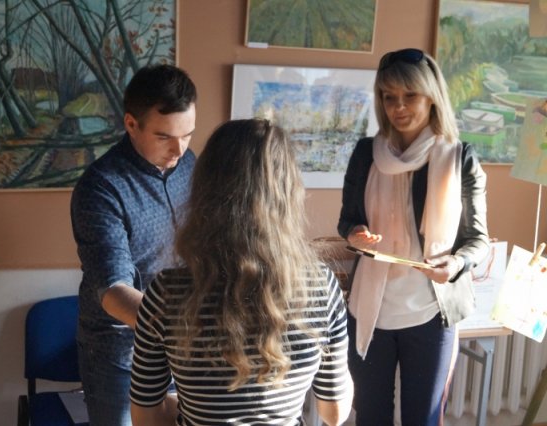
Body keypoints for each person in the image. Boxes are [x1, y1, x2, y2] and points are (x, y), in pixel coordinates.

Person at [129, 119, 354, 426]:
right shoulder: (320, 286)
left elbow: (145, 418)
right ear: (288, 194)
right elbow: (334, 412)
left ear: (204, 191)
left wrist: (187, 405)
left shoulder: (165, 293)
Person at [337, 48, 490, 425]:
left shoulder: (459, 157)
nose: (398, 107)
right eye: (389, 97)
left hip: (431, 313)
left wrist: (455, 263)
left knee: (423, 418)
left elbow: (478, 241)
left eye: (410, 96)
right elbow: (347, 223)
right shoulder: (365, 154)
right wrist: (355, 235)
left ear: (432, 97)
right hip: (370, 310)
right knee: (371, 417)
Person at [70, 64, 197, 426]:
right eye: (164, 136)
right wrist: (183, 330)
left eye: (187, 134)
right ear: (131, 124)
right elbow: (113, 289)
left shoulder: (189, 163)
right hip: (119, 354)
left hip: (185, 347)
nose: (179, 149)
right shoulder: (101, 187)